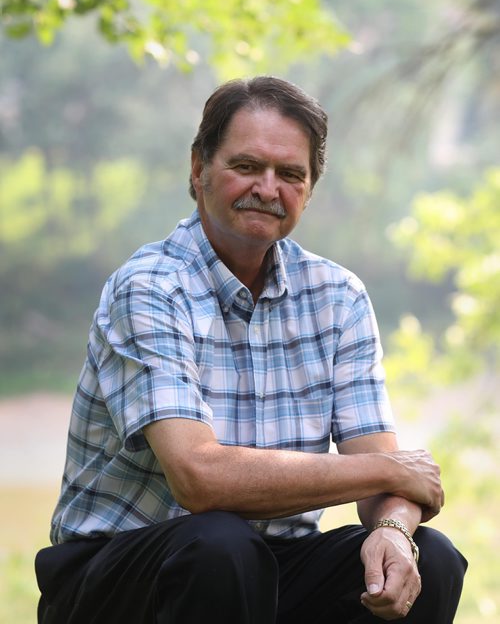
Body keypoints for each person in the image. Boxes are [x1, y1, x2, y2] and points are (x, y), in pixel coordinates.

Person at [36, 76, 467, 623]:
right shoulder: (149, 287)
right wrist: (393, 472)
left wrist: (393, 528)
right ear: (198, 170)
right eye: (247, 166)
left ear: (309, 190)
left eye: (290, 174)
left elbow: (383, 470)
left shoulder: (338, 296)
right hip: (116, 575)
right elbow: (200, 479)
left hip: (265, 565)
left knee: (432, 558)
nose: (268, 188)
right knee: (220, 542)